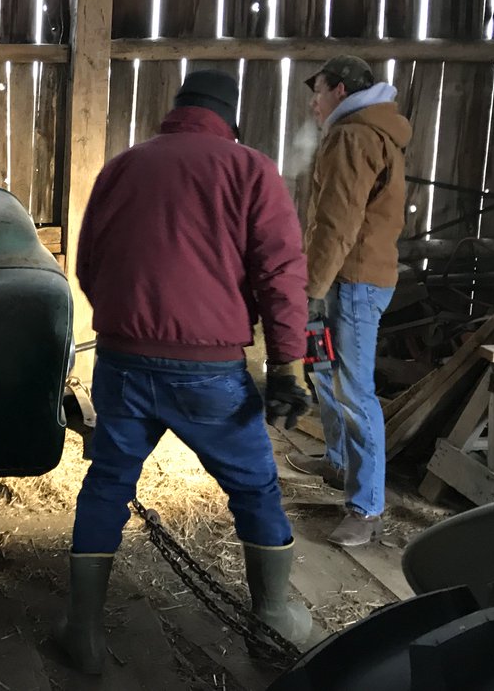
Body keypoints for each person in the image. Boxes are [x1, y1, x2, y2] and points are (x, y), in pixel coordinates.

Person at [55, 69, 313, 675]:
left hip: (122, 360)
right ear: (231, 117)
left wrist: (127, 325)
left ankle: (84, 633)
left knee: (108, 485)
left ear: (178, 110)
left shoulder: (123, 166)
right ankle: (272, 618)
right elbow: (280, 274)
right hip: (209, 370)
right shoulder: (250, 169)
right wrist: (287, 365)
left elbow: (89, 263)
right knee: (253, 488)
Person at [288, 55, 412, 547]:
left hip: (352, 282)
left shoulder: (353, 136)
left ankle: (366, 507)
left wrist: (312, 292)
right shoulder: (362, 131)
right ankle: (338, 461)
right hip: (344, 279)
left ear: (340, 90)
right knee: (322, 368)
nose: (313, 103)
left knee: (354, 389)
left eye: (317, 92)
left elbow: (338, 225)